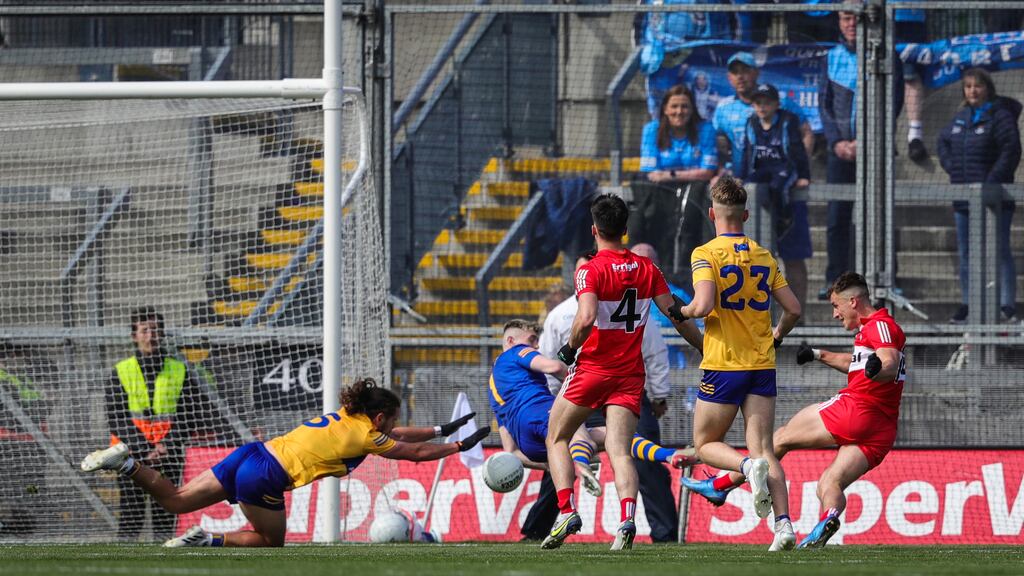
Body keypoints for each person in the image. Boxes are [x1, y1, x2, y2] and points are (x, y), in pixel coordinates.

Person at [81, 378, 489, 547]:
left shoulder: (349, 418)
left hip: (253, 452)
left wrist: (441, 429)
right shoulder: (366, 435)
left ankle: (125, 463)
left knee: (176, 501)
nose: (396, 426)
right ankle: (208, 541)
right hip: (267, 476)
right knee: (271, 543)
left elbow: (403, 438)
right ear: (379, 417)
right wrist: (458, 447)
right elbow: (412, 454)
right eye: (394, 419)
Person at [684, 271, 907, 548]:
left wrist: (880, 369)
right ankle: (829, 517)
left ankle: (721, 485)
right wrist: (818, 355)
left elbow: (888, 360)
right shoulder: (871, 332)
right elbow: (860, 362)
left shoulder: (879, 324)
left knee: (777, 439)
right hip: (881, 430)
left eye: (836, 306)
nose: (836, 314)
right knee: (828, 483)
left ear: (854, 301)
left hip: (857, 410)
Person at [542, 194, 703, 551]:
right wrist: (705, 347)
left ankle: (566, 510)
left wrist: (569, 348)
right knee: (621, 451)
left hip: (593, 369)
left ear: (594, 229)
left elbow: (585, 318)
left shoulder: (590, 269)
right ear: (626, 229)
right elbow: (676, 315)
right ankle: (627, 520)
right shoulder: (648, 269)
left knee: (556, 437)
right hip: (630, 375)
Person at [674, 175, 802, 552]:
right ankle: (784, 526)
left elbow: (702, 306)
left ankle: (745, 469)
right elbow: (793, 308)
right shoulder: (764, 255)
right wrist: (776, 336)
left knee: (706, 442)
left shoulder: (705, 253)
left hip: (724, 363)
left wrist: (678, 311)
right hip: (762, 364)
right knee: (763, 447)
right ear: (745, 215)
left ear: (712, 213)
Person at [103, 307, 233, 541]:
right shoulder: (120, 372)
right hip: (130, 454)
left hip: (168, 453)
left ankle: (163, 558)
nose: (150, 335)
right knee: (131, 510)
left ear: (162, 334)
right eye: (144, 330)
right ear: (134, 336)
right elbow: (116, 417)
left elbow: (189, 415)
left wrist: (166, 446)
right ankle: (124, 556)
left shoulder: (180, 370)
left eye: (155, 329)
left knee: (166, 509)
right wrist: (145, 449)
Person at [818, 7, 904, 299]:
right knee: (836, 218)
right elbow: (824, 106)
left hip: (875, 151)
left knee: (882, 214)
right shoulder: (830, 57)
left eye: (856, 17)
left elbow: (894, 102)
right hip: (840, 152)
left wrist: (868, 141)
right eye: (845, 17)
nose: (851, 23)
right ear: (839, 21)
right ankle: (835, 281)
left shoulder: (887, 54)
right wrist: (836, 143)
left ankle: (888, 280)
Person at [937, 67, 1022, 325]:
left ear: (988, 88)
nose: (972, 91)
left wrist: (991, 182)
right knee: (966, 252)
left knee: (1000, 250)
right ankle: (968, 303)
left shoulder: (1001, 117)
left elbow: (1011, 150)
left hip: (995, 199)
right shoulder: (960, 118)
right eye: (968, 86)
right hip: (965, 200)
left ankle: (1006, 305)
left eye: (977, 86)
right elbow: (943, 143)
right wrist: (953, 168)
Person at [737, 83, 813, 309]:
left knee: (794, 259)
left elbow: (797, 149)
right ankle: (756, 315)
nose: (762, 106)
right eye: (758, 102)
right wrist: (740, 177)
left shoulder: (788, 121)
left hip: (784, 176)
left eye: (767, 102)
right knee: (751, 187)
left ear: (776, 104)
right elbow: (747, 152)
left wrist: (804, 174)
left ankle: (798, 317)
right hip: (762, 182)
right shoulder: (751, 122)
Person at [635, 84, 718, 287]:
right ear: (665, 108)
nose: (679, 111)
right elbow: (652, 174)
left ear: (692, 109)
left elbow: (707, 171)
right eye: (674, 106)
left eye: (685, 106)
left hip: (695, 190)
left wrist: (671, 173)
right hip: (661, 193)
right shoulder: (652, 130)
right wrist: (685, 173)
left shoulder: (705, 129)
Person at [712, 52, 813, 180]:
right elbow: (718, 144)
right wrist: (721, 170)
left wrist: (800, 170)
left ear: (756, 73)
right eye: (735, 72)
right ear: (729, 77)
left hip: (783, 178)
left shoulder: (781, 101)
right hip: (742, 180)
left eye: (745, 71)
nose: (740, 76)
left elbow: (806, 133)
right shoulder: (723, 108)